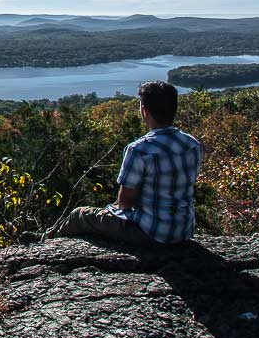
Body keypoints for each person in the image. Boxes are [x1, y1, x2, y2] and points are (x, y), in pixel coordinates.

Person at [44, 81, 203, 246]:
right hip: (184, 230)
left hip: (151, 233)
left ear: (144, 111)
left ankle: (47, 243)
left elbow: (125, 203)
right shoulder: (192, 144)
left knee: (80, 214)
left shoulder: (140, 149)